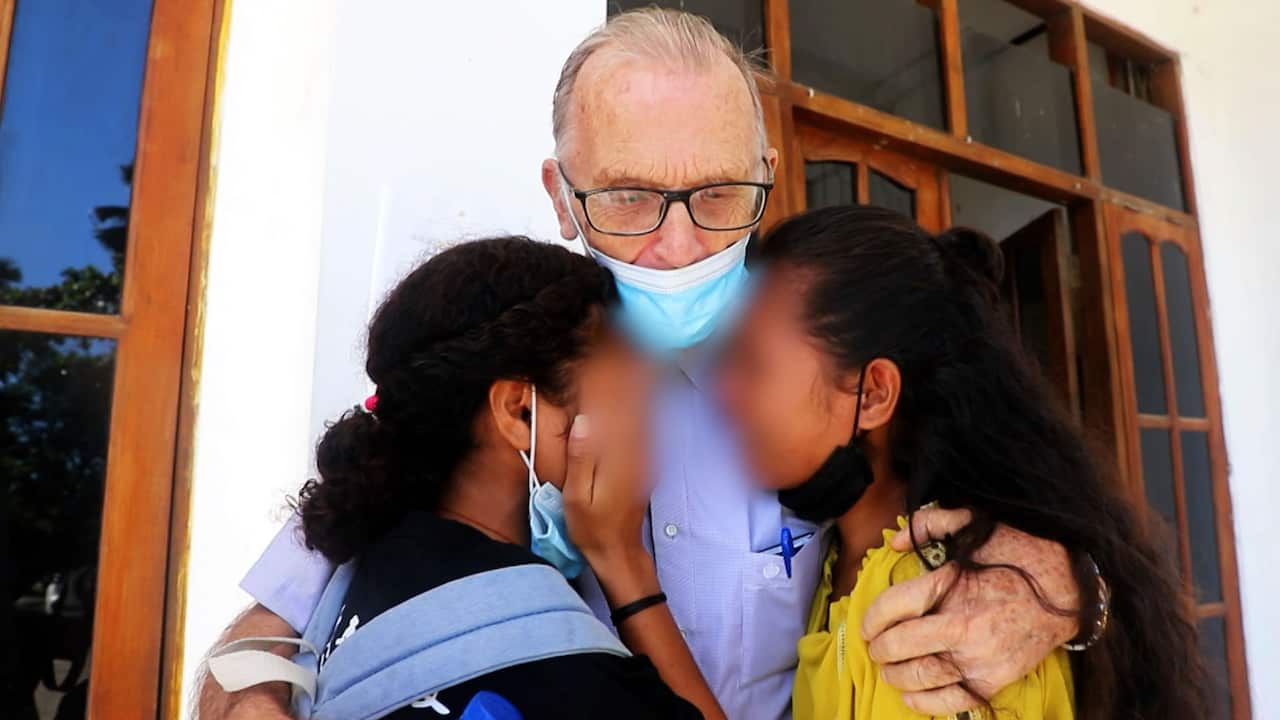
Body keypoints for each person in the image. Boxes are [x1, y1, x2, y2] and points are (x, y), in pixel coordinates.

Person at [197, 9, 1091, 719]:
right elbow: (258, 633)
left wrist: (1068, 595)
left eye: (715, 196)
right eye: (627, 197)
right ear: (561, 195)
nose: (674, 247)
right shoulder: (485, 373)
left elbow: (1033, 505)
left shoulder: (827, 358)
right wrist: (250, 697)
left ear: (767, 176)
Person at [717, 205, 1209, 718]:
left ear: (872, 396)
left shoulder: (949, 614)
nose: (724, 391)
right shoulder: (838, 563)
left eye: (753, 364)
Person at [270, 236, 709, 718]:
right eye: (626, 401)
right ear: (519, 412)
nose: (648, 443)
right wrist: (625, 564)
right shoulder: (559, 670)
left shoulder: (346, 577)